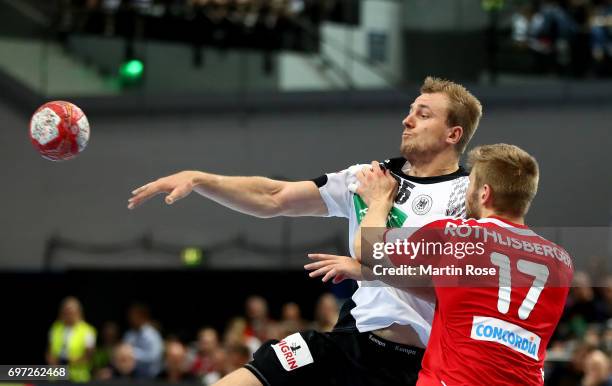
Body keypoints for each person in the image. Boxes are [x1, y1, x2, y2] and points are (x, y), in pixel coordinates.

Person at [128, 76, 483, 386]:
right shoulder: (369, 178)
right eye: (410, 111)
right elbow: (275, 197)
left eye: (423, 115)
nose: (407, 120)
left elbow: (455, 288)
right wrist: (201, 179)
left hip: (419, 365)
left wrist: (367, 266)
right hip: (348, 342)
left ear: (453, 133)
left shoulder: (470, 199)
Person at [306, 144, 574, 385]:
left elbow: (368, 247)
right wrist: (366, 272)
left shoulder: (458, 235)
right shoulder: (560, 261)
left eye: (470, 184)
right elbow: (455, 296)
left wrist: (379, 201)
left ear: (484, 193)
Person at [46, 296, 96, 383]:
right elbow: (49, 350)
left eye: (71, 312)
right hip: (57, 375)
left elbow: (89, 356)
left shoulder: (87, 330)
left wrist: (73, 361)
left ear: (78, 312)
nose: (68, 315)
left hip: (78, 377)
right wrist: (52, 360)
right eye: (66, 312)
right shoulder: (55, 328)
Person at [123, 303, 164, 378]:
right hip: (133, 376)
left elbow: (154, 356)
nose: (132, 318)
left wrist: (133, 353)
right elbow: (123, 353)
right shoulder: (129, 334)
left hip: (152, 377)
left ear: (143, 316)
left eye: (135, 315)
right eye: (131, 315)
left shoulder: (152, 334)